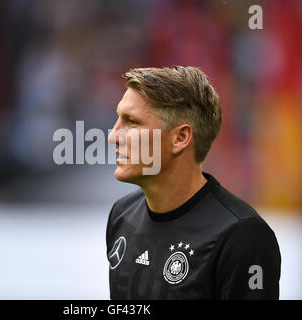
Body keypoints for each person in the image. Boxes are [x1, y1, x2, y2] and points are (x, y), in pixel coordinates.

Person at [106, 66, 281, 299]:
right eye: (118, 120)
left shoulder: (242, 236)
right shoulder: (121, 215)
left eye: (132, 122)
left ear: (180, 138)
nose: (113, 136)